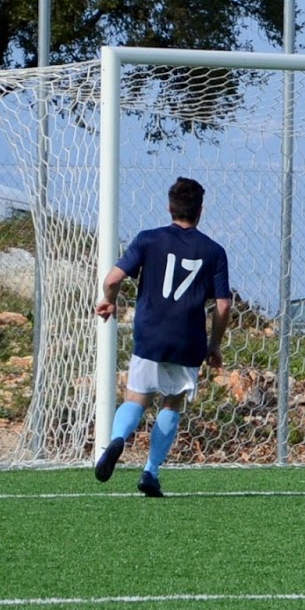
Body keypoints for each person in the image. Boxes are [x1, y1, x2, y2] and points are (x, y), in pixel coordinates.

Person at [93, 177, 231, 498]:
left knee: (136, 399)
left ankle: (118, 439)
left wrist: (109, 301)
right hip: (188, 341)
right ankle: (150, 471)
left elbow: (112, 280)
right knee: (172, 402)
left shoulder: (148, 239)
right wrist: (214, 344)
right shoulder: (214, 251)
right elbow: (223, 306)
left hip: (150, 335)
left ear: (169, 207)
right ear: (200, 210)